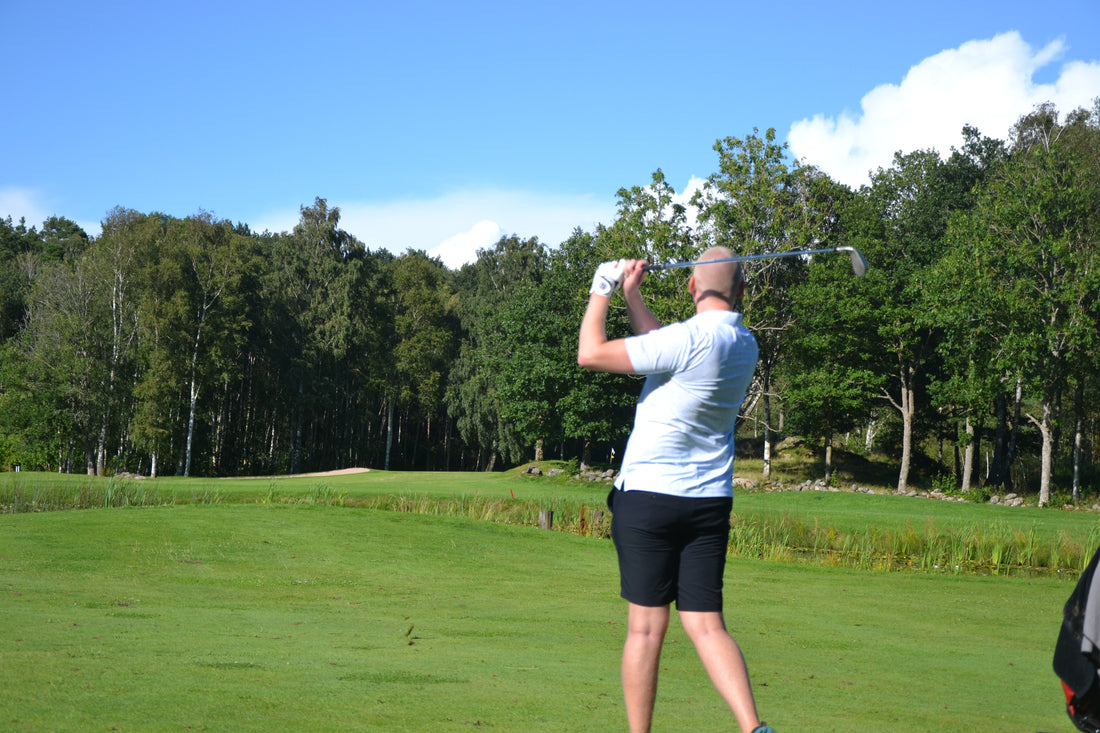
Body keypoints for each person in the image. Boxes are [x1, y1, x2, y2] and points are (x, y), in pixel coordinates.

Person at [577, 248, 774, 733]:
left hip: (648, 498)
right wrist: (633, 294)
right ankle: (754, 728)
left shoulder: (686, 340)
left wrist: (602, 290)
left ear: (690, 287)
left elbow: (590, 352)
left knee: (646, 629)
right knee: (707, 625)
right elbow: (661, 343)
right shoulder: (745, 342)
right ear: (742, 292)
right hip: (708, 503)